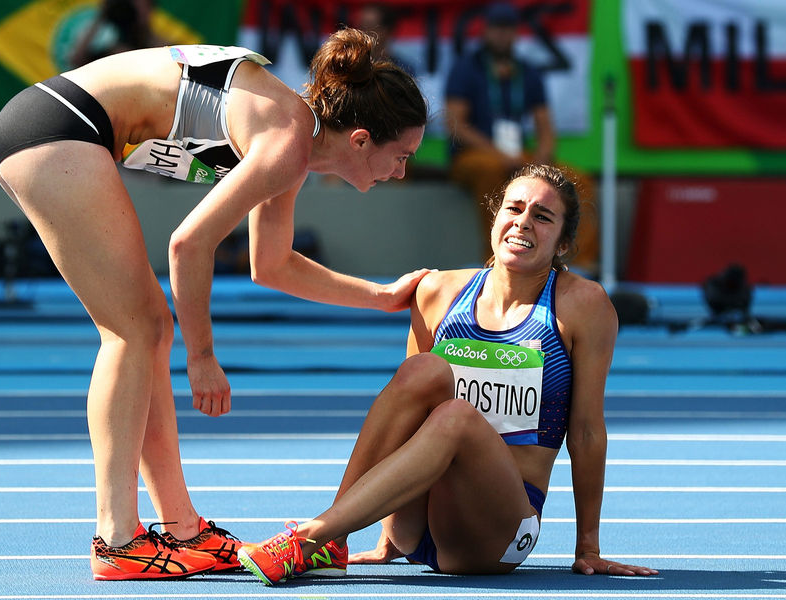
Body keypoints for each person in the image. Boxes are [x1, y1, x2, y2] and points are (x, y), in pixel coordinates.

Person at [0, 29, 429, 580]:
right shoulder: (287, 143)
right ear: (361, 140)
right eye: (402, 155)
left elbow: (272, 264)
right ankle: (116, 539)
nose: (402, 172)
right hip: (57, 126)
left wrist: (381, 296)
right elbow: (188, 244)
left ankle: (183, 528)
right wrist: (203, 357)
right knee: (133, 330)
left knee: (146, 327)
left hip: (58, 126)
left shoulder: (294, 141)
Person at [238, 164, 658, 584]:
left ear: (564, 243)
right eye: (514, 208)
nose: (523, 222)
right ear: (495, 219)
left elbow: (585, 432)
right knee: (422, 370)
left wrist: (588, 548)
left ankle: (314, 535)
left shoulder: (582, 305)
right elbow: (404, 412)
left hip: (498, 533)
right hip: (414, 524)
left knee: (456, 417)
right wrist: (387, 539)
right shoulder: (438, 292)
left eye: (542, 217)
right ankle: (334, 538)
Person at [444, 2, 599, 274]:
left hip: (518, 156)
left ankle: (577, 266)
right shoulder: (466, 68)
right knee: (493, 172)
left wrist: (541, 160)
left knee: (579, 182)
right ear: (485, 31)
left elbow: (545, 127)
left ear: (516, 33)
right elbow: (456, 125)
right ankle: (495, 261)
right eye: (497, 28)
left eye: (508, 29)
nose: (502, 35)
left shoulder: (528, 71)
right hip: (475, 157)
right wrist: (500, 155)